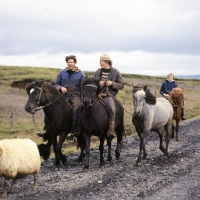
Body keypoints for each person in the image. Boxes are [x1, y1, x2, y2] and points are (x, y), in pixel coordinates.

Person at [54, 55, 86, 141]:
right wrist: (60, 88)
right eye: (68, 62)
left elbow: (83, 87)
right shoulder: (62, 73)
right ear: (66, 63)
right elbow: (56, 84)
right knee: (54, 108)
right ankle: (50, 129)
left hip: (75, 95)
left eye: (72, 62)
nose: (70, 64)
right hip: (63, 95)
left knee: (76, 110)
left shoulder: (81, 74)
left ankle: (74, 132)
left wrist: (82, 98)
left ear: (75, 63)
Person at [94, 53, 124, 140]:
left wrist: (112, 83)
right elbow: (93, 83)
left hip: (108, 95)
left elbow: (121, 85)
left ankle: (111, 130)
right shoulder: (97, 72)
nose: (100, 63)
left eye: (101, 61)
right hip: (97, 95)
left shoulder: (116, 72)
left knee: (111, 108)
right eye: (100, 61)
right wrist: (98, 83)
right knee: (84, 106)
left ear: (107, 61)